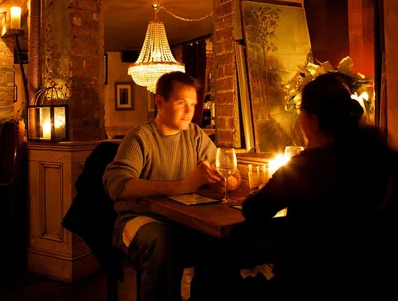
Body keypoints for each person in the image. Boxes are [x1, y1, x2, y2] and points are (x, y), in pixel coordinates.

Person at [242, 73, 398, 296]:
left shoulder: (305, 166)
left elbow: (253, 210)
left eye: (301, 112)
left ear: (313, 120)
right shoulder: (381, 153)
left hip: (310, 282)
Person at [103, 71, 242, 300]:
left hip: (183, 221)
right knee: (162, 240)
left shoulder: (195, 135)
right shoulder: (140, 137)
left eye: (193, 104)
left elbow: (232, 172)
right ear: (160, 102)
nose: (190, 112)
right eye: (181, 103)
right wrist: (183, 185)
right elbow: (118, 185)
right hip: (135, 221)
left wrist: (226, 184)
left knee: (219, 243)